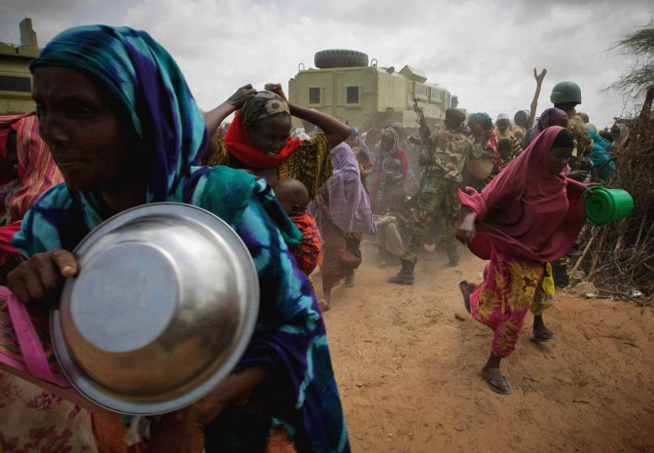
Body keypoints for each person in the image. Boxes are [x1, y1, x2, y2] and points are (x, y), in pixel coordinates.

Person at [7, 25, 349, 452]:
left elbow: (298, 322)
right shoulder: (53, 218)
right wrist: (33, 292)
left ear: (142, 115)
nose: (51, 131)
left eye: (79, 110)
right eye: (43, 109)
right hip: (114, 429)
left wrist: (198, 412)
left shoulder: (223, 204)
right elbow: (61, 347)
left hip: (243, 427)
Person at [456, 127, 587, 395]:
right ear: (542, 152)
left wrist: (575, 182)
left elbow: (560, 186)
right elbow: (484, 198)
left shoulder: (556, 175)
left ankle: (474, 293)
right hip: (513, 250)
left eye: (567, 156)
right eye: (559, 156)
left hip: (538, 250)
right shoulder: (519, 175)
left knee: (536, 289)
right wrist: (469, 220)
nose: (565, 162)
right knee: (515, 308)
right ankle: (492, 365)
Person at [201, 84, 350, 200]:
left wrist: (289, 106)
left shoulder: (295, 157)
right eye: (269, 137)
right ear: (248, 129)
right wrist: (230, 103)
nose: (277, 145)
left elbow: (341, 131)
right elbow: (199, 133)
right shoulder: (224, 157)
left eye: (283, 137)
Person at [389, 108, 469, 284]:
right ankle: (453, 256)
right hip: (454, 186)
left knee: (420, 225)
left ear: (446, 121)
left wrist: (429, 146)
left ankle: (407, 271)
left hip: (434, 184)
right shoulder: (465, 141)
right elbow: (474, 157)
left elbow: (423, 161)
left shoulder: (435, 135)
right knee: (450, 221)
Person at [311, 143, 376, 310]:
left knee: (351, 245)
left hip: (353, 212)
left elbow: (352, 178)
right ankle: (326, 296)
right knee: (331, 248)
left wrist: (332, 178)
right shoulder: (317, 156)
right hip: (328, 214)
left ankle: (349, 271)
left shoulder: (351, 164)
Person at [0, 113, 63, 282]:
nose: (12, 157)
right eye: (9, 150)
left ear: (37, 152)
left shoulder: (54, 198)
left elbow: (28, 233)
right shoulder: (16, 189)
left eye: (19, 149)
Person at [271, 178, 322, 277]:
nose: (271, 206)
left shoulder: (293, 225)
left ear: (294, 208)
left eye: (276, 204)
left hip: (298, 271)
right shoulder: (304, 212)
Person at [550, 81, 593, 179]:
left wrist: (565, 175)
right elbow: (589, 145)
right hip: (574, 174)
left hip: (565, 176)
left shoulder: (566, 124)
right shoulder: (579, 121)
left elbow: (568, 155)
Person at [368, 127, 408, 214]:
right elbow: (377, 167)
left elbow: (404, 173)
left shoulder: (401, 153)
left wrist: (395, 178)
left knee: (398, 205)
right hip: (380, 183)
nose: (385, 144)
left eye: (388, 141)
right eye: (384, 140)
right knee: (371, 200)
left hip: (395, 184)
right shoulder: (381, 151)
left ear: (393, 141)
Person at [461, 113, 501, 192]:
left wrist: (478, 152)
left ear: (483, 124)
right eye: (470, 126)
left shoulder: (490, 136)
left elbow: (493, 155)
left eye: (473, 126)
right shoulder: (472, 137)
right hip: (474, 174)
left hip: (488, 175)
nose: (471, 129)